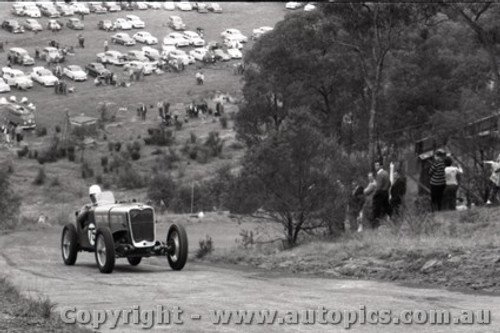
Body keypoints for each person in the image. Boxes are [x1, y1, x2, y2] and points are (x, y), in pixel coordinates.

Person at [372, 161, 391, 228]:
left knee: (376, 210)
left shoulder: (380, 174)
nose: (375, 167)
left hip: (380, 194)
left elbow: (379, 186)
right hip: (385, 193)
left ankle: (375, 225)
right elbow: (389, 183)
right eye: (375, 165)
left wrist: (375, 194)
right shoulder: (386, 173)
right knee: (387, 208)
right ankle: (394, 219)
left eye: (377, 165)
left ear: (380, 166)